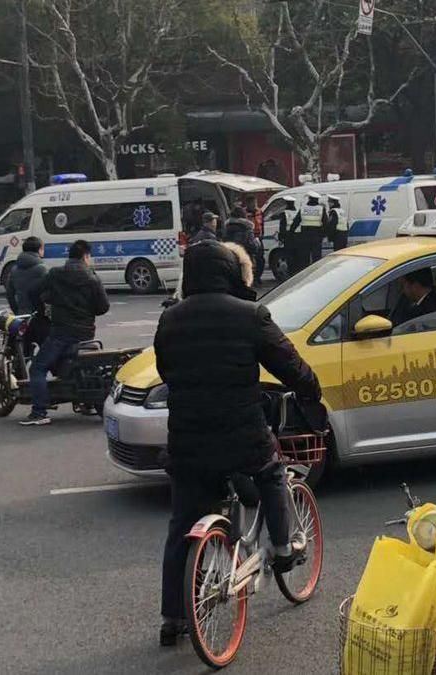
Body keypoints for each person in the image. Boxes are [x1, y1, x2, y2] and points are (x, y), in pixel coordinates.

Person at [155, 240, 322, 646]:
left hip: (188, 439)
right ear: (231, 272)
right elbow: (290, 364)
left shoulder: (170, 319)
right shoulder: (250, 315)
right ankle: (283, 547)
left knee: (181, 523)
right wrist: (310, 391)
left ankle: (172, 617)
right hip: (241, 434)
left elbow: (166, 369)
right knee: (271, 472)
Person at [20, 240, 110, 426]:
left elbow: (33, 292)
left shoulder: (55, 274)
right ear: (85, 256)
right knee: (75, 363)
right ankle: (86, 402)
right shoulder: (92, 278)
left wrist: (46, 305)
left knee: (37, 368)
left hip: (61, 331)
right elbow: (103, 307)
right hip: (86, 333)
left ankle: (39, 412)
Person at [6, 236, 47, 315]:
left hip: (21, 314)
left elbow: (10, 294)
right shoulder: (42, 269)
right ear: (39, 250)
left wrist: (16, 311)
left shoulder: (14, 269)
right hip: (38, 315)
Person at [222, 207, 262, 284]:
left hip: (230, 259)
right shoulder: (247, 228)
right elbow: (252, 247)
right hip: (245, 259)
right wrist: (257, 242)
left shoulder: (227, 228)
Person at [293, 191, 326, 270]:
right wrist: (323, 235)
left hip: (304, 236)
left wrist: (291, 232)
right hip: (316, 236)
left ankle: (305, 274)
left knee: (304, 258)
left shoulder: (303, 208)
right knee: (316, 257)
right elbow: (325, 223)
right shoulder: (321, 209)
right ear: (317, 200)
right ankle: (316, 274)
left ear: (309, 199)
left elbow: (296, 222)